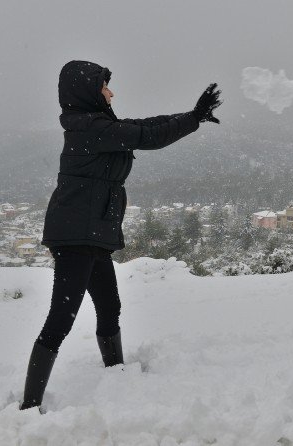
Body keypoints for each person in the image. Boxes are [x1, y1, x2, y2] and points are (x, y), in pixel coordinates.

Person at [20, 60, 222, 410]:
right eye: (103, 87)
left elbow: (142, 126)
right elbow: (149, 137)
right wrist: (193, 119)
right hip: (76, 235)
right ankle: (28, 406)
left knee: (109, 306)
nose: (110, 92)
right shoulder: (91, 127)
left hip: (92, 232)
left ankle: (115, 374)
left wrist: (192, 114)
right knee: (60, 321)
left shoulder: (98, 125)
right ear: (86, 92)